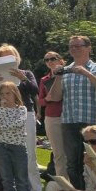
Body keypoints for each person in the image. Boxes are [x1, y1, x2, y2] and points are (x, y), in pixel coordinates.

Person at [48, 35, 96, 190]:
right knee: (73, 164)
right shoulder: (65, 71)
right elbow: (55, 97)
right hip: (70, 122)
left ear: (89, 48)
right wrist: (58, 77)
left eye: (78, 46)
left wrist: (88, 74)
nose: (74, 49)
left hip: (94, 123)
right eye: (71, 46)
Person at [0, 44, 42, 191]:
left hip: (25, 114)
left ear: (16, 58)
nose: (6, 60)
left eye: (10, 56)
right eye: (2, 57)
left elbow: (35, 91)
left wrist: (22, 78)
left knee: (29, 155)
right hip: (3, 116)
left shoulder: (26, 73)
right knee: (8, 156)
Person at [0, 82, 30, 191]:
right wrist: (2, 109)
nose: (5, 97)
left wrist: (1, 127)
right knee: (6, 177)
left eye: (8, 93)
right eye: (2, 94)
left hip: (18, 147)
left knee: (21, 177)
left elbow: (18, 124)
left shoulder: (22, 109)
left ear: (15, 94)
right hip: (1, 146)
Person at [38, 51, 68, 179]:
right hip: (53, 117)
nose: (50, 61)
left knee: (74, 152)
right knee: (58, 153)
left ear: (61, 60)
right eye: (47, 60)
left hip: (70, 116)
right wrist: (47, 99)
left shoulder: (69, 75)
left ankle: (77, 182)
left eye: (52, 58)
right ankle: (63, 183)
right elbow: (40, 100)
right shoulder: (44, 80)